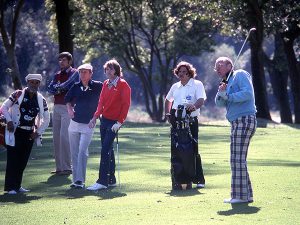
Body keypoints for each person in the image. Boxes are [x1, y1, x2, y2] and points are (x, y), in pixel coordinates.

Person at [214, 56, 257, 204]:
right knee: (238, 159)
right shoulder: (225, 83)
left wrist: (228, 96)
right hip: (236, 122)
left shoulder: (240, 74)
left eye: (220, 64)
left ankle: (239, 196)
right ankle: (247, 195)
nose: (217, 68)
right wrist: (221, 93)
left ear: (229, 65)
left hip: (244, 119)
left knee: (236, 159)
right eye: (216, 66)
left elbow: (248, 94)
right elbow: (218, 104)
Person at [1, 74, 50, 194]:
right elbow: (4, 107)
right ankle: (10, 188)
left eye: (36, 82)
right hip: (16, 131)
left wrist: (38, 132)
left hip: (29, 133)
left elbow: (47, 118)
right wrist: (9, 121)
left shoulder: (41, 99)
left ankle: (17, 185)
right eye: (32, 82)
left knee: (23, 160)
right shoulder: (17, 94)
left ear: (39, 84)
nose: (34, 84)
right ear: (27, 82)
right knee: (13, 159)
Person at [87, 59, 131, 191]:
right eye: (106, 69)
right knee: (108, 149)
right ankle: (111, 179)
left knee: (105, 149)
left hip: (114, 123)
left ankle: (102, 181)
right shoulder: (106, 83)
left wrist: (120, 122)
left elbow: (126, 105)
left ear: (116, 70)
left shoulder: (123, 85)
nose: (108, 71)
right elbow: (101, 102)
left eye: (111, 69)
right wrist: (95, 116)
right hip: (104, 120)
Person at [164, 61, 206, 189]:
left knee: (193, 149)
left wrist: (193, 107)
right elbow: (168, 100)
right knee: (176, 150)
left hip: (191, 120)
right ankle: (178, 179)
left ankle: (199, 179)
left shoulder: (197, 84)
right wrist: (167, 114)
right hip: (176, 120)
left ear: (189, 73)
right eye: (179, 72)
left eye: (184, 72)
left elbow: (201, 100)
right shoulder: (175, 86)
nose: (181, 74)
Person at [64, 63, 103, 188]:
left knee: (82, 151)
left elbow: (103, 102)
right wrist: (69, 109)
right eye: (81, 72)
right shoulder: (76, 86)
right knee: (74, 152)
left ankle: (80, 180)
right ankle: (77, 180)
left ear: (91, 74)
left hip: (89, 123)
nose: (82, 74)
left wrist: (95, 117)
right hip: (74, 123)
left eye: (85, 72)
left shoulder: (98, 86)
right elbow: (67, 99)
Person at [47, 52, 79, 175]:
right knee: (56, 137)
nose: (61, 62)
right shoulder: (57, 74)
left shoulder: (75, 73)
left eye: (64, 60)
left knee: (64, 136)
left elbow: (67, 86)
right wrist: (58, 88)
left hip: (68, 107)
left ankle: (67, 167)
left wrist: (57, 88)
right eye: (60, 60)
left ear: (69, 61)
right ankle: (59, 167)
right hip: (56, 107)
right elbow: (49, 89)